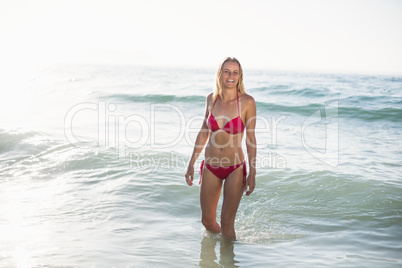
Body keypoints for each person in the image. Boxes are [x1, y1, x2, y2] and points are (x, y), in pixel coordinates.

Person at [185, 57, 257, 240]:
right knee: (207, 222)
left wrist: (253, 173)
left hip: (235, 167)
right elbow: (204, 131)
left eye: (235, 72)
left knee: (227, 223)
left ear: (240, 76)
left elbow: (250, 139)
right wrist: (191, 162)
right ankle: (211, 257)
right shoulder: (211, 99)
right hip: (210, 166)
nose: (231, 76)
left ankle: (230, 260)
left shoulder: (247, 102)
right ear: (220, 74)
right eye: (227, 71)